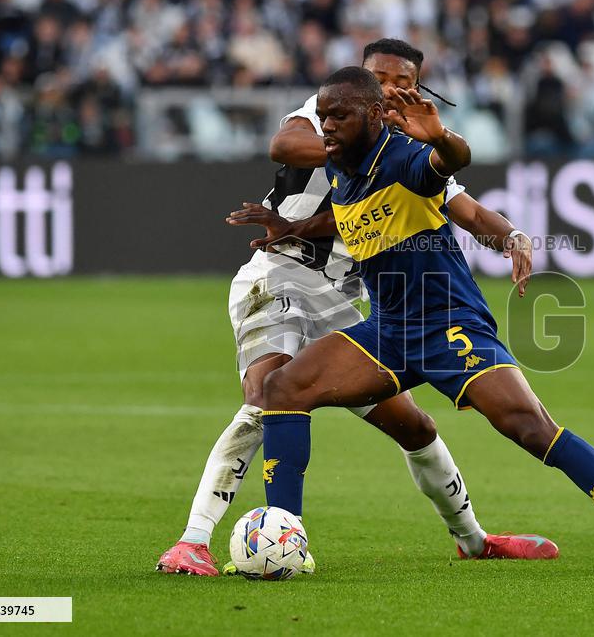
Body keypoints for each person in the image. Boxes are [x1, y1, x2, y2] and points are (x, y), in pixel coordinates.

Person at [254, 66, 594, 577]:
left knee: (529, 427)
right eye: (323, 115)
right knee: (285, 388)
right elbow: (351, 217)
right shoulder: (342, 170)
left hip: (449, 324)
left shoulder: (405, 157)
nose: (326, 126)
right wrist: (293, 227)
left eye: (339, 116)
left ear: (374, 115)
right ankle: (285, 539)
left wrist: (441, 137)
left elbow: (447, 164)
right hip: (389, 329)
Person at [156, 41, 556, 577]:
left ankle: (474, 540)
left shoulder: (409, 150)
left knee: (414, 427)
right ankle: (193, 541)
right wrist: (351, 147)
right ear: (362, 88)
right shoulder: (327, 115)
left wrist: (512, 237)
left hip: (345, 295)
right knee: (268, 393)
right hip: (280, 273)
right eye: (379, 78)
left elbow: (466, 208)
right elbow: (284, 144)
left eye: (401, 80)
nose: (390, 87)